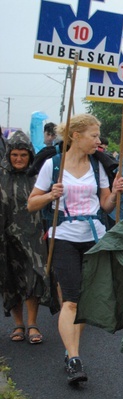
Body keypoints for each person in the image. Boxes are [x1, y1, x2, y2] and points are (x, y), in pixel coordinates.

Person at [27, 114, 123, 384]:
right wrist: (50, 195)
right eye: (93, 135)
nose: (98, 140)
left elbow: (105, 205)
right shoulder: (53, 165)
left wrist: (115, 192)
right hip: (64, 236)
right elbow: (31, 203)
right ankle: (74, 358)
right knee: (70, 299)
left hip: (95, 237)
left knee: (81, 301)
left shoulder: (97, 165)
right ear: (75, 135)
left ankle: (71, 350)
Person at [0, 130, 47, 344]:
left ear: (30, 155)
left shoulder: (38, 176)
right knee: (9, 278)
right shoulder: (1, 174)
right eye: (15, 155)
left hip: (32, 236)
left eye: (23, 155)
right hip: (5, 236)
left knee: (33, 277)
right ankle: (18, 324)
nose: (19, 159)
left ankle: (33, 323)